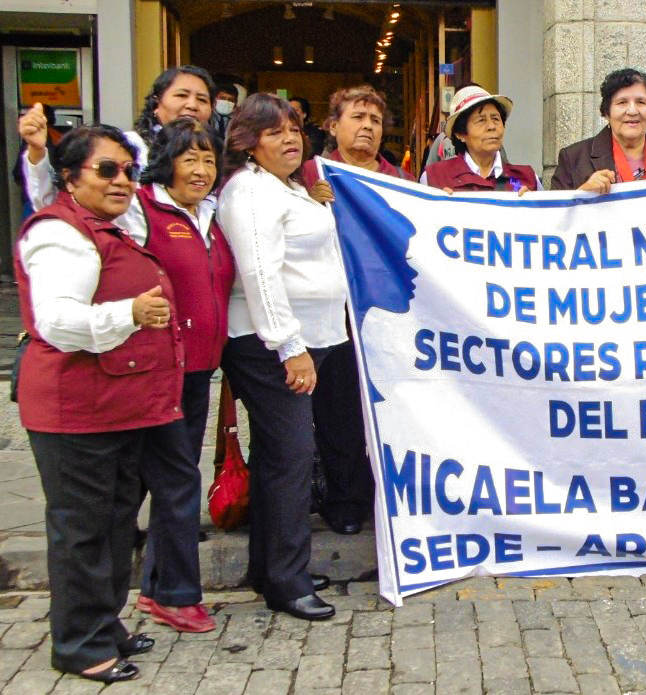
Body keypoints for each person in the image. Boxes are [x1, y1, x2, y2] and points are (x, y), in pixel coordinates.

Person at [16, 125, 184, 683]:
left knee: (114, 523)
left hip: (116, 402)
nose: (122, 181)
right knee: (82, 528)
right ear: (70, 177)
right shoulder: (58, 234)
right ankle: (80, 643)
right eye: (107, 170)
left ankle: (103, 624)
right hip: (75, 410)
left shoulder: (107, 225)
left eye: (129, 171)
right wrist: (128, 314)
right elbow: (56, 321)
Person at [216, 93, 345, 621]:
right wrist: (290, 348)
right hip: (268, 345)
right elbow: (260, 275)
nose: (290, 138)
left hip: (306, 338)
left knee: (279, 456)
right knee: (292, 456)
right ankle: (288, 581)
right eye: (274, 132)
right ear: (250, 143)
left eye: (294, 128)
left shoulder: (286, 187)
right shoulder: (249, 192)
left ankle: (271, 569)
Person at [112, 118, 233, 634]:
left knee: (169, 479)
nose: (201, 170)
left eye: (208, 159)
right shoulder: (142, 210)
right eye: (190, 159)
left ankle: (155, 587)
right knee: (179, 480)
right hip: (159, 369)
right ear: (167, 163)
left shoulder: (212, 213)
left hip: (199, 370)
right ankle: (177, 596)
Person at [301, 84, 406, 536]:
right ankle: (345, 500)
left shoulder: (399, 181)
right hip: (334, 315)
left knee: (389, 409)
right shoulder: (309, 175)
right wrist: (308, 204)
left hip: (388, 316)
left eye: (375, 120)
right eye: (357, 118)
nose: (367, 127)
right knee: (339, 411)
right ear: (332, 126)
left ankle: (390, 496)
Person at [18, 65, 216, 218]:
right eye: (181, 95)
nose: (192, 105)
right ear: (156, 104)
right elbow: (52, 202)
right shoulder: (127, 147)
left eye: (202, 99)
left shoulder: (213, 158)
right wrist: (37, 150)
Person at [552, 69, 646, 192]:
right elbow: (556, 206)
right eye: (622, 102)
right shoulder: (573, 158)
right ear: (607, 112)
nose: (632, 111)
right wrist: (583, 193)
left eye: (641, 102)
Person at [422, 85, 540, 192]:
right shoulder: (434, 178)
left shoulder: (527, 178)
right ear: (460, 134)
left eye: (496, 119)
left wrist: (533, 204)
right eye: (481, 120)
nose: (491, 126)